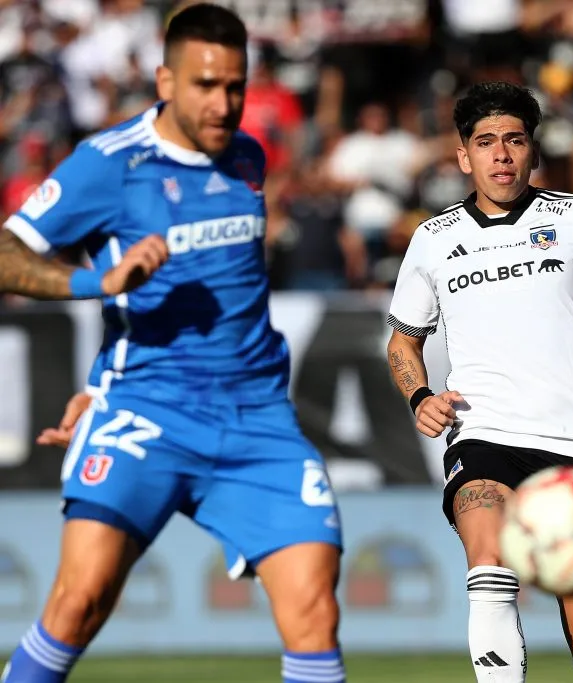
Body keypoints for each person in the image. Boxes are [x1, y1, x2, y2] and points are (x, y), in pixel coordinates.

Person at [0, 5, 345, 682]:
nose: (223, 103)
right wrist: (97, 280)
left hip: (259, 423)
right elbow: (7, 251)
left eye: (235, 86)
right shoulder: (108, 164)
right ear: (165, 80)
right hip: (147, 411)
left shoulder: (248, 155)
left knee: (314, 609)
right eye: (205, 85)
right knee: (80, 599)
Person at [385, 81, 573, 683]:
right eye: (485, 142)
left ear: (532, 150)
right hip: (484, 437)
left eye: (514, 140)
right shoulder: (433, 240)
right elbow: (403, 341)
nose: (501, 154)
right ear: (463, 156)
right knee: (488, 568)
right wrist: (420, 396)